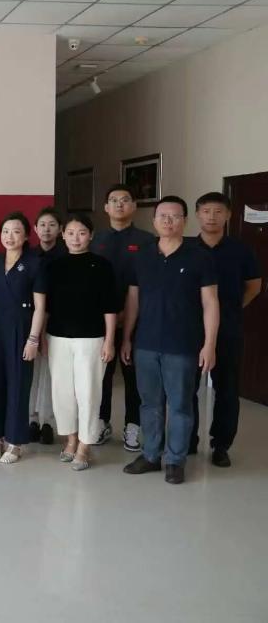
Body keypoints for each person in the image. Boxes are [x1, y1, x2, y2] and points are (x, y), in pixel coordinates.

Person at [122, 196, 219, 485]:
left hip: (183, 345)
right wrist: (126, 337)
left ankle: (176, 460)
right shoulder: (142, 255)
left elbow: (211, 303)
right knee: (149, 403)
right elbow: (133, 299)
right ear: (154, 221)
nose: (168, 221)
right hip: (145, 344)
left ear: (185, 221)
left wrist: (209, 344)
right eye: (162, 216)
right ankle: (151, 455)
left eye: (175, 216)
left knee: (180, 405)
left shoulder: (199, 257)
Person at [189, 192, 262, 467]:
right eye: (206, 211)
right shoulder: (187, 248)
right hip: (190, 329)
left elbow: (254, 286)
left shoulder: (241, 250)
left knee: (227, 389)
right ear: (197, 214)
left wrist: (229, 310)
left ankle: (221, 445)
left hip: (228, 329)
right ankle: (188, 440)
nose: (212, 217)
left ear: (229, 215)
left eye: (218, 212)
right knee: (186, 387)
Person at [44, 214, 118, 471]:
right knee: (62, 392)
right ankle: (70, 440)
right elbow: (46, 307)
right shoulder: (54, 266)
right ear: (63, 235)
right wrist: (42, 338)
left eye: (82, 232)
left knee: (88, 393)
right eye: (71, 233)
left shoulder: (102, 265)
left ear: (91, 235)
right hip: (57, 337)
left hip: (92, 339)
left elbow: (110, 307)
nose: (76, 238)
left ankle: (86, 445)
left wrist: (110, 340)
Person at [90, 185, 154, 450]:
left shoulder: (147, 241)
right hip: (99, 321)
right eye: (113, 200)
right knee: (101, 375)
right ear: (106, 207)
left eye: (125, 200)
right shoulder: (95, 240)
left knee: (133, 376)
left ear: (134, 206)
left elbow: (148, 283)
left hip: (137, 321)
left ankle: (133, 426)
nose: (119, 205)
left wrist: (128, 315)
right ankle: (102, 422)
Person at [0, 212, 47, 464]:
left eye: (16, 231)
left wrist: (33, 339)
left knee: (18, 385)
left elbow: (40, 307)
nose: (10, 236)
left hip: (21, 329)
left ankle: (15, 442)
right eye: (6, 231)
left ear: (27, 235)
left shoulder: (35, 263)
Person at [28, 207, 66, 445]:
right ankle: (31, 419)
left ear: (60, 229)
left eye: (52, 225)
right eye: (42, 225)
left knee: (52, 373)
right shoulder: (29, 256)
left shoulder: (66, 255)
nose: (47, 229)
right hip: (32, 320)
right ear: (35, 229)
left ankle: (49, 421)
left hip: (58, 321)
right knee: (32, 371)